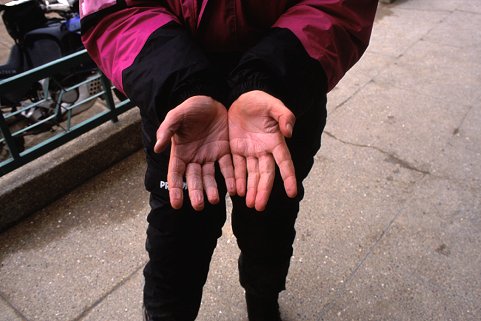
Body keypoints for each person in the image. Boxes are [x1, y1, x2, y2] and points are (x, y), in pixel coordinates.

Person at [80, 1, 377, 320]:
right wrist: (180, 86)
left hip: (284, 85)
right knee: (176, 232)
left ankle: (263, 299)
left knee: (270, 217)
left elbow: (340, 6)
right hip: (178, 89)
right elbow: (114, 9)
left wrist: (271, 78)